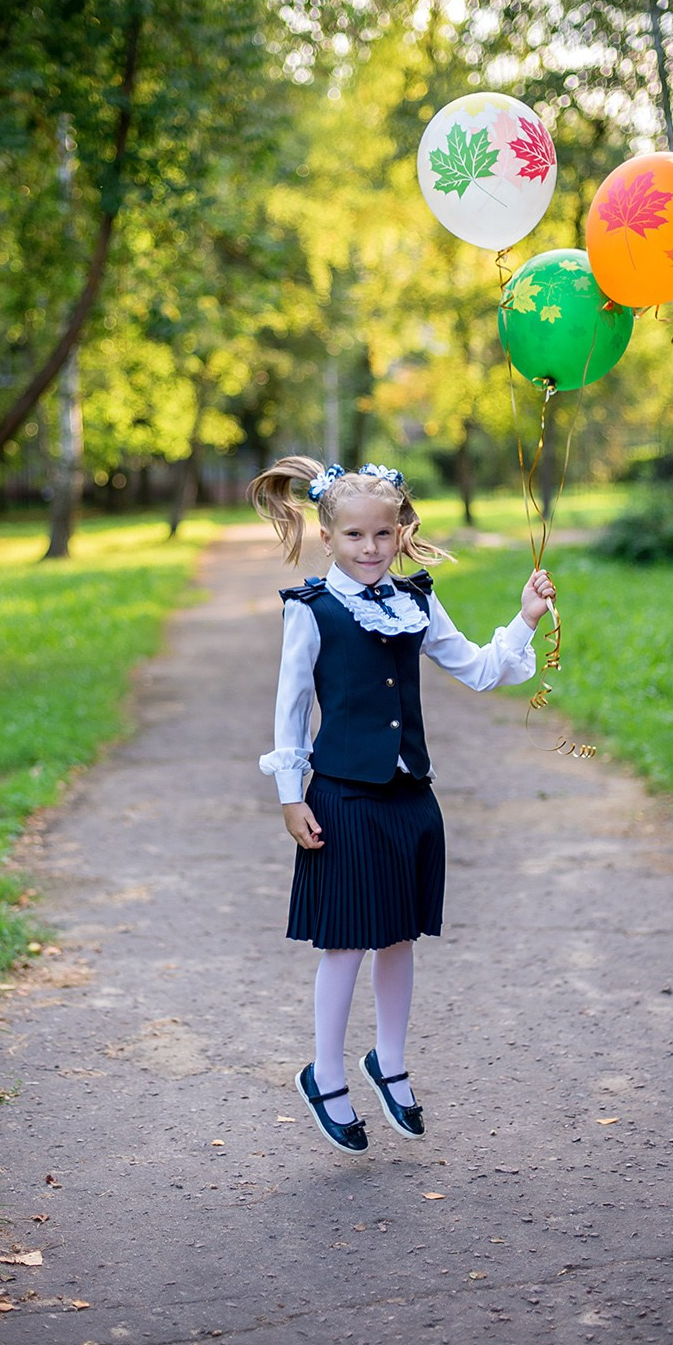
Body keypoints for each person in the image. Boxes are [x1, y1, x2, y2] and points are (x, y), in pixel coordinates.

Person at [250, 456, 555, 1156]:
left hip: (410, 796)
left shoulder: (416, 600)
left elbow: (479, 669)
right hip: (344, 796)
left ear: (401, 532)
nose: (370, 548)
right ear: (328, 538)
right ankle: (324, 1072)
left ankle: (388, 1060)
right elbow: (290, 709)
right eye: (354, 535)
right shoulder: (312, 610)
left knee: (399, 935)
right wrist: (289, 797)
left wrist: (525, 617)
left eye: (382, 534)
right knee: (348, 940)